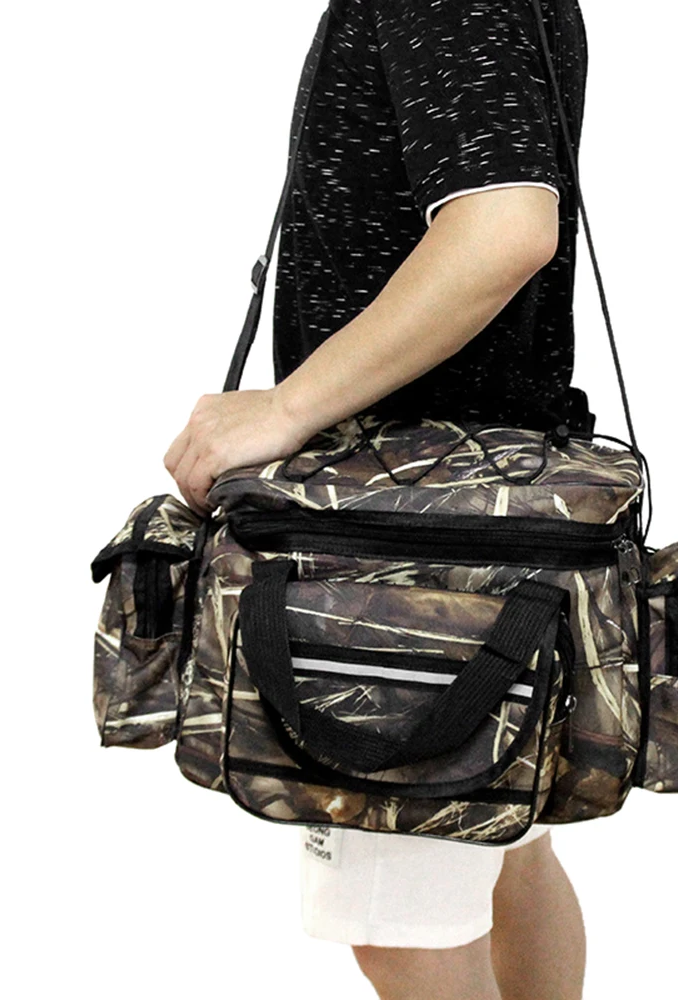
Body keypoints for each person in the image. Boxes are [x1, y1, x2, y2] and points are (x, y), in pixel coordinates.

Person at [164, 2, 590, 997]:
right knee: (502, 851)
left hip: (400, 558)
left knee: (402, 925)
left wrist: (287, 408)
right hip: (482, 531)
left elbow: (505, 229)